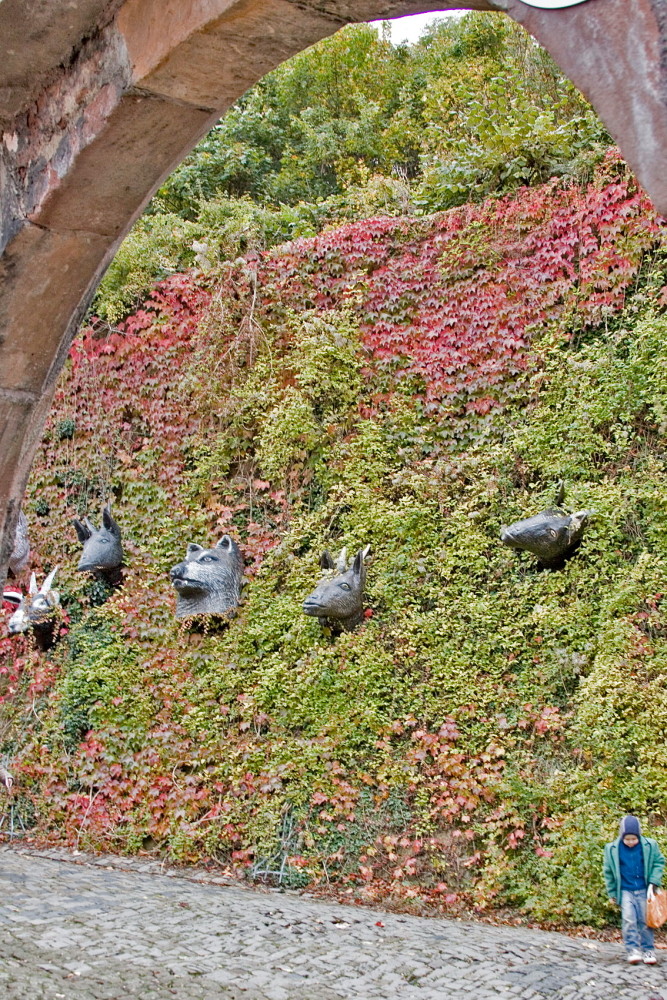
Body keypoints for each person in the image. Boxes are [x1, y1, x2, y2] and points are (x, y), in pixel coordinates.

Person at [603, 814, 665, 964]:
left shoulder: (650, 845)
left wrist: (654, 881)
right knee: (629, 919)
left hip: (645, 890)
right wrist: (612, 893)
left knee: (645, 920)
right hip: (625, 890)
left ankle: (648, 950)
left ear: (639, 835)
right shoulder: (612, 849)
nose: (631, 842)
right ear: (622, 836)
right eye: (627, 839)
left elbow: (659, 862)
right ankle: (632, 949)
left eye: (634, 839)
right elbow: (608, 872)